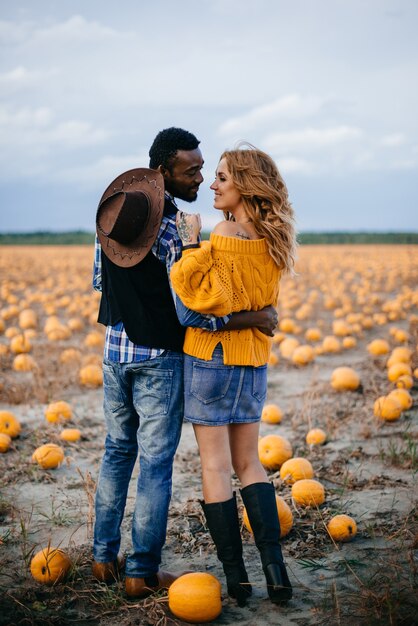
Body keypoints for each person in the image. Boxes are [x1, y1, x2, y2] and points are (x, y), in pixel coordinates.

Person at [91, 128, 279, 599]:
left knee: (117, 453)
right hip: (163, 359)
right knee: (156, 463)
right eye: (190, 170)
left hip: (115, 353)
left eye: (205, 170)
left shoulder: (113, 218)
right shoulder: (180, 227)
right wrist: (253, 317)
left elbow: (101, 284)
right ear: (163, 173)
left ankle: (101, 558)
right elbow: (190, 306)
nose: (199, 178)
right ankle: (141, 570)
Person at [170, 144, 297, 606]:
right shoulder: (273, 241)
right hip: (253, 363)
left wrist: (187, 246)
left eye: (223, 176)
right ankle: (276, 571)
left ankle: (237, 579)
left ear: (245, 184)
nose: (214, 184)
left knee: (215, 466)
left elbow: (195, 306)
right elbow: (261, 309)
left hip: (212, 359)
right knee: (251, 464)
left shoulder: (223, 231)